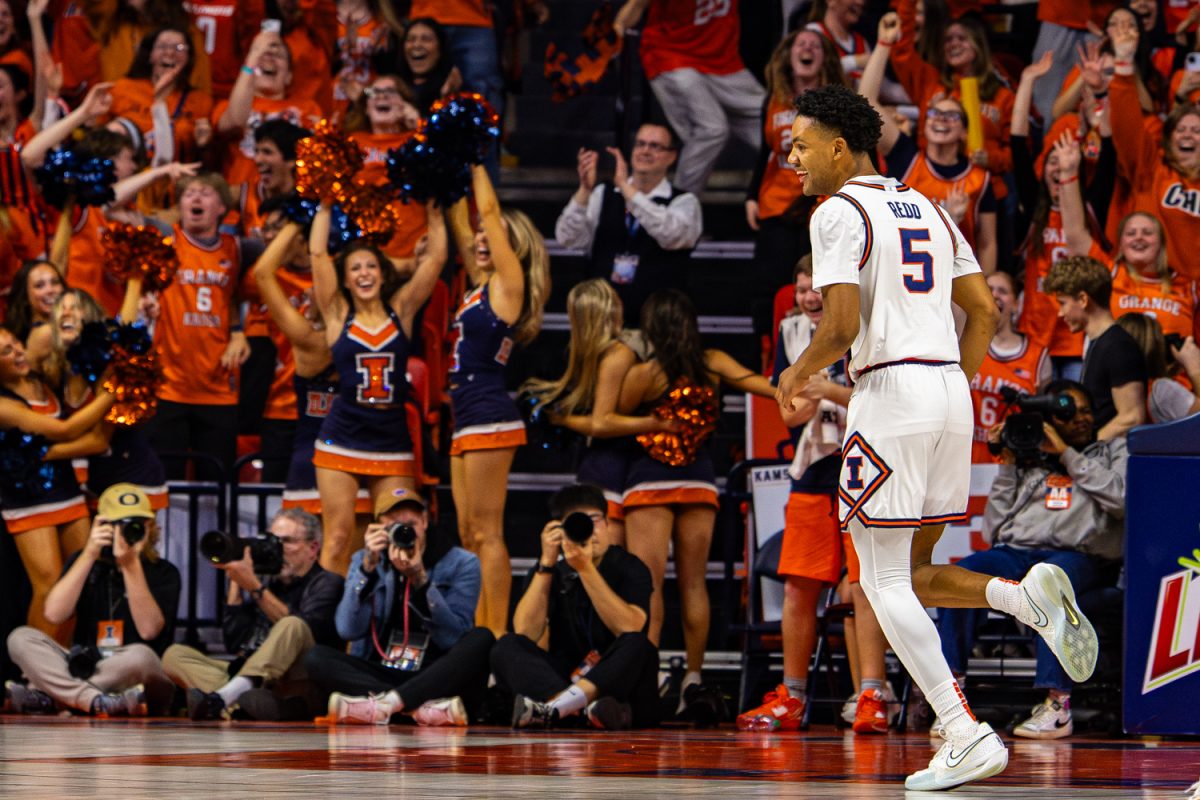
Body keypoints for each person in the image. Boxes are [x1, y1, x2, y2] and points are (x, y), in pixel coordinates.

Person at [774, 85, 1097, 791]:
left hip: (890, 393)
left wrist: (795, 372)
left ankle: (961, 729)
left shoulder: (836, 212)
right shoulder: (925, 203)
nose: (792, 158)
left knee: (876, 580)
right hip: (948, 390)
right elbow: (981, 309)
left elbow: (840, 325)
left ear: (839, 146)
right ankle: (1022, 599)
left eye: (799, 144)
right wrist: (949, 386)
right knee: (912, 576)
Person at [738, 257, 895, 734]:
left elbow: (883, 399)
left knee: (866, 587)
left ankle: (871, 693)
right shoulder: (791, 331)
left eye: (817, 290)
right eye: (801, 288)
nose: (808, 298)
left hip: (866, 463)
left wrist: (823, 388)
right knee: (799, 585)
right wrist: (829, 390)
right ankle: (792, 696)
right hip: (813, 468)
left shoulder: (871, 322)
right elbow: (788, 413)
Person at [618, 288, 776, 721]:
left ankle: (644, 679)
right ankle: (693, 676)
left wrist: (652, 420)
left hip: (649, 478)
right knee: (693, 584)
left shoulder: (645, 373)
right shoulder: (713, 362)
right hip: (698, 478)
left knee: (647, 586)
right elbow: (762, 386)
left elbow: (611, 417)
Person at [940, 381, 1124, 739]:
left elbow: (1121, 499)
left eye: (1086, 410)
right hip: (1015, 552)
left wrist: (1068, 454)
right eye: (1070, 413)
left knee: (1048, 581)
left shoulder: (1110, 452)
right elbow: (992, 528)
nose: (1082, 418)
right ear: (1048, 421)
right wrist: (1008, 466)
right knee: (961, 577)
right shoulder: (1029, 459)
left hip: (1077, 557)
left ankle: (1058, 706)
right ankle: (952, 699)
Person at [308, 200, 446, 575]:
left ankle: (394, 622)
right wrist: (323, 206)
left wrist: (435, 210)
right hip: (343, 435)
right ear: (346, 278)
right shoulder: (337, 314)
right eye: (355, 268)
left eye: (370, 266)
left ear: (383, 274)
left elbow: (434, 260)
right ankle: (327, 629)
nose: (364, 273)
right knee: (337, 537)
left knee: (402, 533)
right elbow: (318, 253)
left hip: (391, 438)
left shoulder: (400, 310)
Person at [446, 165, 548, 635]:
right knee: (469, 535)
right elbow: (464, 223)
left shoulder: (508, 286)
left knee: (487, 533)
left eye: (495, 235)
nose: (482, 239)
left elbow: (485, 210)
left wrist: (474, 160)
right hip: (464, 418)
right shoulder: (477, 285)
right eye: (483, 236)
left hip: (489, 415)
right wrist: (442, 171)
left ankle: (496, 635)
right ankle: (476, 632)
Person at [305, 488, 493, 726]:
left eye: (411, 524)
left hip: (437, 674)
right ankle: (417, 708)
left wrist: (421, 580)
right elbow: (347, 629)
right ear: (378, 528)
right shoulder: (365, 560)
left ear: (425, 521)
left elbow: (453, 638)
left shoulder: (462, 562)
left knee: (482, 638)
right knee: (316, 657)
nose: (405, 532)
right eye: (394, 526)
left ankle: (387, 705)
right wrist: (366, 570)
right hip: (386, 667)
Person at [492, 483, 659, 730]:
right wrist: (547, 562)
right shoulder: (551, 571)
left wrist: (585, 568)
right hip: (566, 677)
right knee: (505, 646)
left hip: (619, 682)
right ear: (561, 530)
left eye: (595, 520)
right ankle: (576, 710)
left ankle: (557, 709)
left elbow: (630, 626)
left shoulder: (630, 566)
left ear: (608, 524)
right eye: (578, 523)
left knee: (638, 644)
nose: (589, 530)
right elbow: (525, 632)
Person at [4, 484, 179, 716]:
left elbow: (149, 631)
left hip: (134, 673)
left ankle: (52, 697)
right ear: (102, 524)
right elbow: (54, 614)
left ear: (149, 526)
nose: (127, 531)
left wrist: (130, 565)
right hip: (87, 665)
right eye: (118, 524)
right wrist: (89, 553)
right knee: (21, 638)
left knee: (141, 656)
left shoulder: (164, 572)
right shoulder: (86, 560)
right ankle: (96, 700)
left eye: (137, 523)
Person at [521, 278, 671, 548]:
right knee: (603, 565)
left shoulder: (617, 351)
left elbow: (601, 423)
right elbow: (602, 422)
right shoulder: (608, 352)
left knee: (611, 566)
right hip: (610, 465)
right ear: (611, 308)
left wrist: (561, 419)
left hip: (619, 462)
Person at [162, 508, 344, 721]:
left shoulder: (327, 582)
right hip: (257, 675)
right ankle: (241, 701)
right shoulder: (267, 582)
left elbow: (307, 631)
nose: (277, 549)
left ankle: (226, 699)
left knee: (292, 624)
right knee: (174, 655)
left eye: (286, 541)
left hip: (300, 678)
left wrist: (255, 587)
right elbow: (236, 645)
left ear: (313, 548)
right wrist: (236, 582)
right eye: (272, 541)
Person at [0, 326, 116, 639]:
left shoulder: (40, 377)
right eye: (6, 352)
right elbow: (63, 431)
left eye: (15, 344)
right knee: (47, 586)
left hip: (67, 490)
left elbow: (53, 333)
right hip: (26, 499)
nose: (17, 353)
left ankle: (60, 662)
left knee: (76, 582)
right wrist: (111, 397)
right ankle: (34, 673)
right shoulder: (4, 405)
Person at [147, 173, 261, 480]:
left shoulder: (237, 248)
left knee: (217, 483)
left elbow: (284, 255)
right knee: (165, 481)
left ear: (222, 207)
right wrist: (162, 171)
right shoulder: (164, 238)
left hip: (218, 386)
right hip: (169, 385)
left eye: (206, 193)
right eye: (189, 193)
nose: (196, 198)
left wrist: (240, 331)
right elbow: (112, 206)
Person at [864, 13, 997, 273]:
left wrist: (985, 295)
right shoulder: (907, 157)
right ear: (925, 123)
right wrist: (883, 44)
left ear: (963, 132)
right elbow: (865, 102)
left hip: (955, 286)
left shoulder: (979, 179)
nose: (941, 120)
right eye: (935, 113)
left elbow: (988, 243)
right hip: (904, 281)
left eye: (951, 115)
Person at [745, 29, 847, 335]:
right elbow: (765, 151)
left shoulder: (836, 102)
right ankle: (769, 359)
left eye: (815, 45)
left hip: (818, 203)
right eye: (800, 44)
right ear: (789, 57)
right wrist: (751, 194)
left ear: (824, 59)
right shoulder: (774, 100)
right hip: (776, 204)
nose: (807, 48)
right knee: (768, 290)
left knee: (816, 286)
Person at [555, 122, 701, 328]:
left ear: (672, 156)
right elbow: (567, 238)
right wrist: (584, 191)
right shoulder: (603, 193)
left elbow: (672, 236)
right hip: (602, 321)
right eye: (640, 144)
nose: (645, 151)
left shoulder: (684, 202)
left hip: (658, 325)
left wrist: (627, 189)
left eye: (655, 146)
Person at [613, 0, 765, 195]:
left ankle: (804, 195)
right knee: (711, 129)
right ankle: (680, 204)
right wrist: (618, 28)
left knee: (774, 117)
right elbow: (636, 5)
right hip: (672, 55)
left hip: (724, 61)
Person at [1110, 24, 1200, 282]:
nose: (1187, 135)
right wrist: (1124, 66)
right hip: (1154, 289)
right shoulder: (1152, 169)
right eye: (1180, 130)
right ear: (1169, 140)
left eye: (1196, 131)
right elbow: (1126, 127)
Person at [1043, 255, 1148, 439]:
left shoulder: (1118, 346)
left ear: (1083, 299)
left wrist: (1085, 449)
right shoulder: (1097, 342)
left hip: (1112, 462)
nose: (1060, 313)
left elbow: (1132, 417)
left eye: (1063, 303)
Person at [213, 27, 322, 189]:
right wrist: (252, 58)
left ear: (289, 76)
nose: (269, 60)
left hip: (288, 200)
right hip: (241, 199)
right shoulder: (226, 105)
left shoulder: (308, 108)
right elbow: (235, 121)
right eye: (262, 54)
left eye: (278, 56)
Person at [968, 272, 1051, 463]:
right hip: (966, 456)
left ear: (1016, 304)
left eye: (1003, 291)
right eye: (989, 290)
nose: (995, 294)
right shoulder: (966, 344)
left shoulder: (1038, 356)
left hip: (1012, 462)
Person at [108, 26, 214, 167]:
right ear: (150, 55)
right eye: (162, 46)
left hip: (175, 179)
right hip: (127, 175)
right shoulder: (122, 88)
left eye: (179, 47)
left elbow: (205, 160)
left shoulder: (200, 100)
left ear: (189, 58)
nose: (170, 52)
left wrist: (203, 146)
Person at [1114, 314, 1200, 423]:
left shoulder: (1112, 387)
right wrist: (1194, 368)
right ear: (1154, 347)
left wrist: (1167, 372)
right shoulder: (1161, 389)